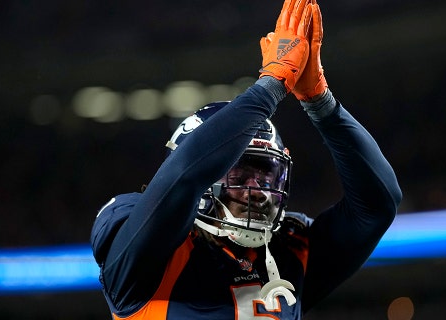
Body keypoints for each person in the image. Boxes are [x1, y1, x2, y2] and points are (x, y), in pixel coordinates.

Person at [90, 0, 402, 318]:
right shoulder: (141, 241)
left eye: (266, 173)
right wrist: (270, 86)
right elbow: (183, 176)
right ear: (208, 171)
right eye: (239, 173)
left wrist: (320, 102)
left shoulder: (290, 250)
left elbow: (378, 205)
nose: (258, 188)